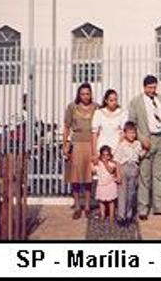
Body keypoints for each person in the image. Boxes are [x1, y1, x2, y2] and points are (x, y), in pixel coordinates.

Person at [127, 75, 161, 220]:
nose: (152, 90)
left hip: (160, 138)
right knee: (144, 176)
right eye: (150, 87)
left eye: (154, 87)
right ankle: (143, 208)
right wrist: (142, 139)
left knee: (159, 175)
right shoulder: (136, 102)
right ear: (144, 87)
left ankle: (159, 207)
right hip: (146, 140)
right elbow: (132, 123)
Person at [63, 82, 98, 219]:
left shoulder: (96, 107)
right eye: (82, 94)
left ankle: (88, 206)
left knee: (88, 177)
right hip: (76, 144)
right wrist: (65, 144)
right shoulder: (72, 107)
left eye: (88, 93)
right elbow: (66, 126)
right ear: (79, 94)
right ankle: (77, 206)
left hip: (91, 144)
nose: (85, 96)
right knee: (75, 177)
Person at [114, 121, 145, 227]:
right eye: (129, 132)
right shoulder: (122, 145)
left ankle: (128, 216)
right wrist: (118, 174)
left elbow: (141, 155)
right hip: (124, 168)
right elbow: (117, 161)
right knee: (123, 194)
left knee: (131, 194)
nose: (131, 135)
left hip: (134, 168)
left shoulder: (137, 144)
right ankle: (121, 217)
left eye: (133, 133)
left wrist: (147, 148)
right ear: (125, 133)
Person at [91, 89, 127, 158]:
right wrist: (94, 152)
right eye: (111, 100)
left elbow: (123, 133)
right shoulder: (98, 113)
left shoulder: (123, 113)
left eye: (115, 100)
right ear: (106, 101)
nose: (114, 102)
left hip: (117, 147)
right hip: (101, 146)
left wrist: (118, 149)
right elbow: (94, 133)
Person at [92, 145, 120, 223]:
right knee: (101, 201)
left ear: (110, 156)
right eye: (103, 155)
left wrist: (106, 163)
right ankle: (103, 214)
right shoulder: (99, 163)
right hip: (101, 185)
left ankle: (111, 216)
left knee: (111, 201)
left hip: (110, 185)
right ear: (100, 155)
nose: (105, 157)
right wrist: (95, 161)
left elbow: (111, 170)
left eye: (107, 155)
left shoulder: (112, 164)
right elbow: (93, 170)